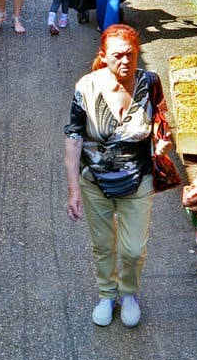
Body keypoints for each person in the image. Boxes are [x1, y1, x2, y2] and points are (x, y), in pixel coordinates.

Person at [64, 24, 170, 328]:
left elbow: (161, 114)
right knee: (103, 244)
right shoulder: (86, 86)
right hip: (95, 179)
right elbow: (73, 137)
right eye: (117, 56)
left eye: (130, 55)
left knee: (134, 248)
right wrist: (73, 191)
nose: (125, 62)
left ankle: (129, 292)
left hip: (138, 177)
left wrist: (162, 138)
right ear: (103, 56)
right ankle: (107, 295)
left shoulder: (149, 82)